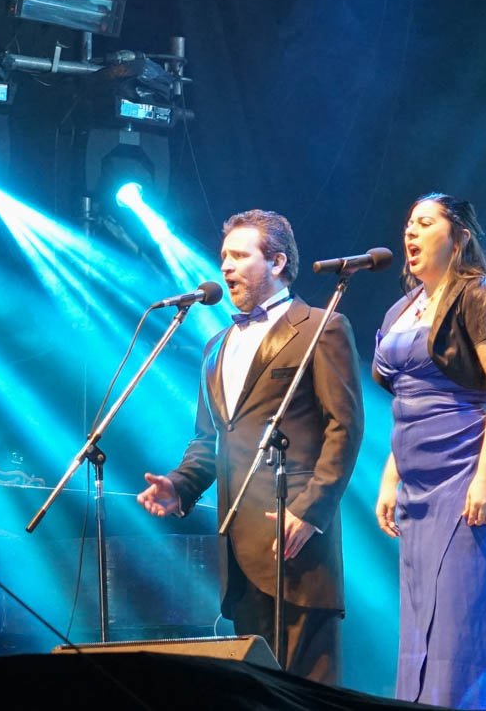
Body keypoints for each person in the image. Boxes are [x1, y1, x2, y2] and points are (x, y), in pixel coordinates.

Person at [137, 210, 362, 685]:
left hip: (297, 538)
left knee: (308, 691)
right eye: (224, 256)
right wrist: (180, 485)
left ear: (277, 262)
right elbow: (210, 439)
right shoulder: (215, 346)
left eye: (240, 256)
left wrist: (310, 511)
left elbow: (344, 427)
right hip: (239, 551)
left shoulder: (322, 327)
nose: (226, 266)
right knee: (256, 691)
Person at [372, 193, 486, 709]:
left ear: (459, 236)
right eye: (408, 224)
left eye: (425, 223)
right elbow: (407, 402)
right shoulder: (402, 309)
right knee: (422, 616)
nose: (410, 233)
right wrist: (391, 477)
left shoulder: (481, 294)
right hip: (418, 486)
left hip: (468, 468)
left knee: (465, 613)